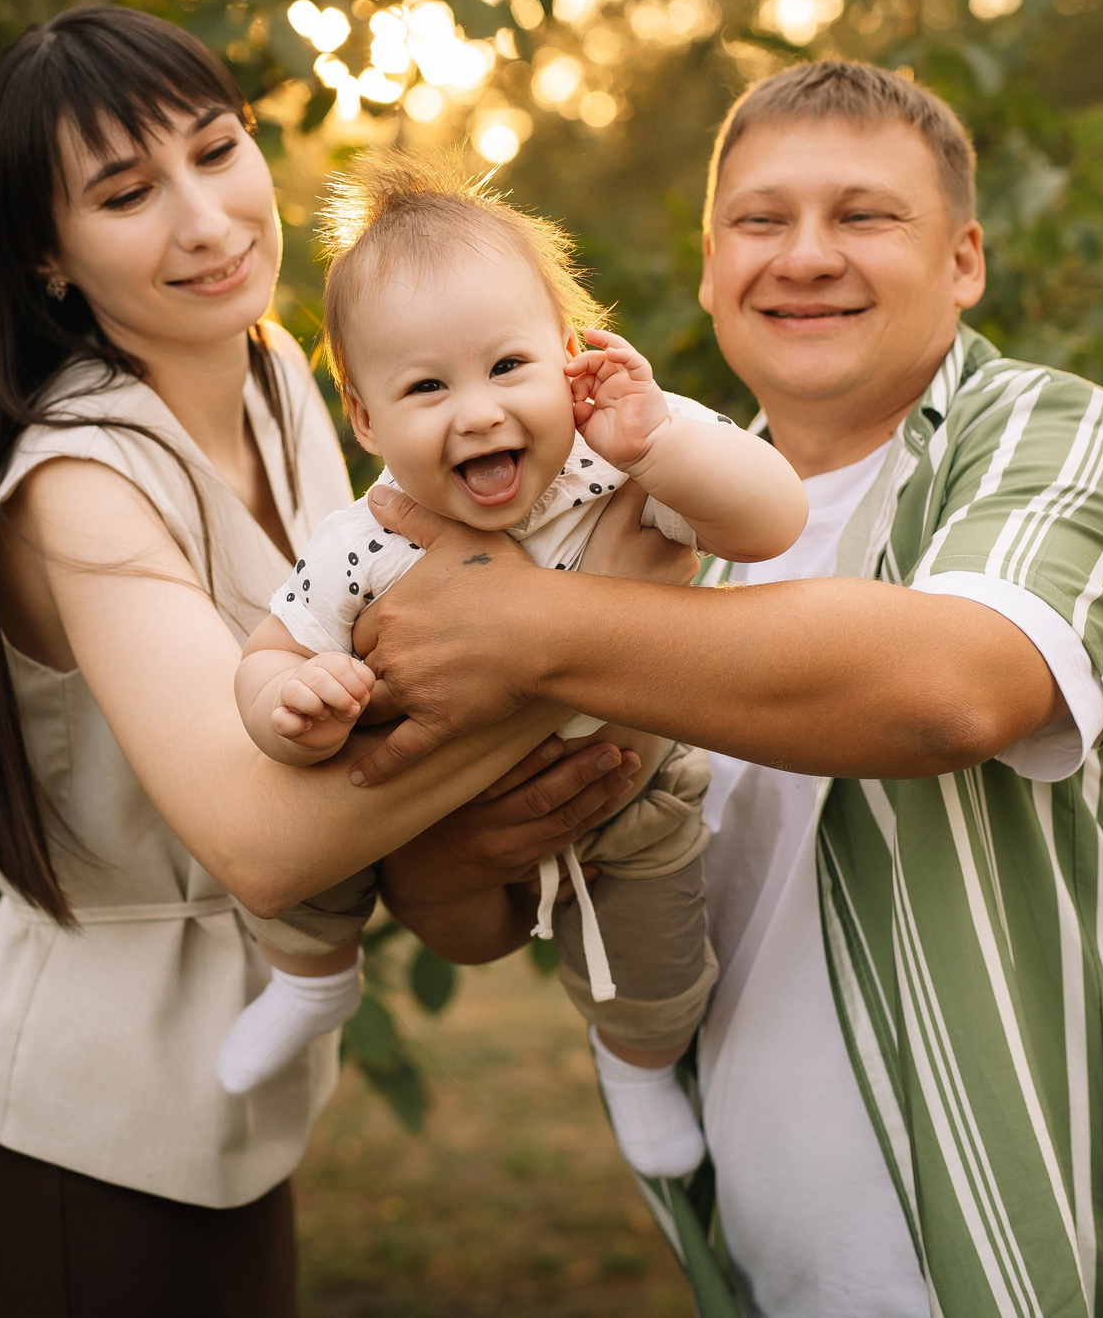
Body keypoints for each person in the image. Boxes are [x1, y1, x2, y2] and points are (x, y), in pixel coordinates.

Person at [355, 61, 1103, 1318]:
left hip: (1020, 1244)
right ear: (710, 268)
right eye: (761, 222)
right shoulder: (641, 523)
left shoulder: (1053, 433)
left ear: (966, 260)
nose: (804, 257)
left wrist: (529, 627)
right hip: (763, 1251)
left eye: (865, 216)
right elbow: (478, 924)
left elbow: (948, 692)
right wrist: (449, 853)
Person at [0, 6, 675, 1316]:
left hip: (238, 1114)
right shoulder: (76, 486)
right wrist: (599, 640)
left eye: (218, 152)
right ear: (50, 253)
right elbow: (264, 839)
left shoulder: (276, 368)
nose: (208, 219)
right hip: (79, 1139)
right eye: (127, 192)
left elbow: (397, 660)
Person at [215, 154, 806, 1183]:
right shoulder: (365, 542)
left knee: (656, 964)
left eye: (507, 367)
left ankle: (635, 1065)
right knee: (292, 814)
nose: (478, 412)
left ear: (568, 359)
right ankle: (312, 978)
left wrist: (661, 442)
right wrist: (285, 704)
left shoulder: (617, 462)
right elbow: (271, 651)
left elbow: (770, 517)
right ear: (365, 420)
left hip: (623, 780)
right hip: (427, 800)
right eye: (427, 387)